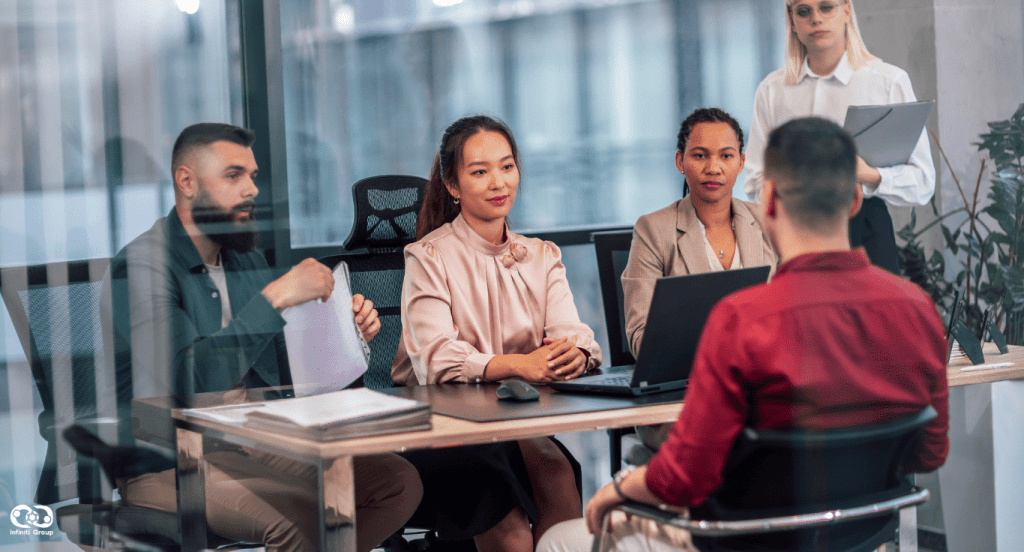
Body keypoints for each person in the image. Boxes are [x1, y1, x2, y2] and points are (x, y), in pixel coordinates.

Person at [536, 117, 950, 552]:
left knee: (556, 542)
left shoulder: (742, 319)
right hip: (861, 533)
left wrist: (619, 488)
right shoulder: (918, 309)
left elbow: (684, 478)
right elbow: (929, 453)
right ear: (855, 200)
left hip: (745, 540)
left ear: (768, 199)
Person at [103, 122, 422, 552]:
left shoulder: (242, 258)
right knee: (298, 519)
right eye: (233, 175)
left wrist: (346, 335)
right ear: (187, 182)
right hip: (168, 460)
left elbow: (286, 367)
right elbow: (190, 381)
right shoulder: (142, 269)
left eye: (252, 176)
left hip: (254, 440)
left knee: (397, 483)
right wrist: (275, 297)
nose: (252, 189)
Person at [392, 115, 603, 552]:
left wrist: (577, 354)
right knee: (511, 529)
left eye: (507, 167)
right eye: (480, 171)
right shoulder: (427, 257)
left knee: (558, 475)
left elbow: (578, 335)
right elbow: (435, 361)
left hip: (515, 423)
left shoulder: (542, 255)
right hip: (445, 431)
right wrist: (519, 365)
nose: (498, 182)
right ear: (452, 185)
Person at [742, 0, 936, 275]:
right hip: (796, 231)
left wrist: (869, 175)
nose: (816, 19)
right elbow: (755, 180)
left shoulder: (887, 82)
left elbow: (923, 182)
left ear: (846, 11)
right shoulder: (773, 90)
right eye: (803, 11)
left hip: (867, 230)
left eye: (826, 7)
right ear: (792, 22)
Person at [621, 107, 776, 455]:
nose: (713, 167)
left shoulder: (766, 223)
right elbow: (641, 341)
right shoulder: (653, 230)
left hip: (758, 393)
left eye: (726, 156)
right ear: (680, 161)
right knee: (740, 444)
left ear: (742, 162)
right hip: (681, 404)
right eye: (700, 155)